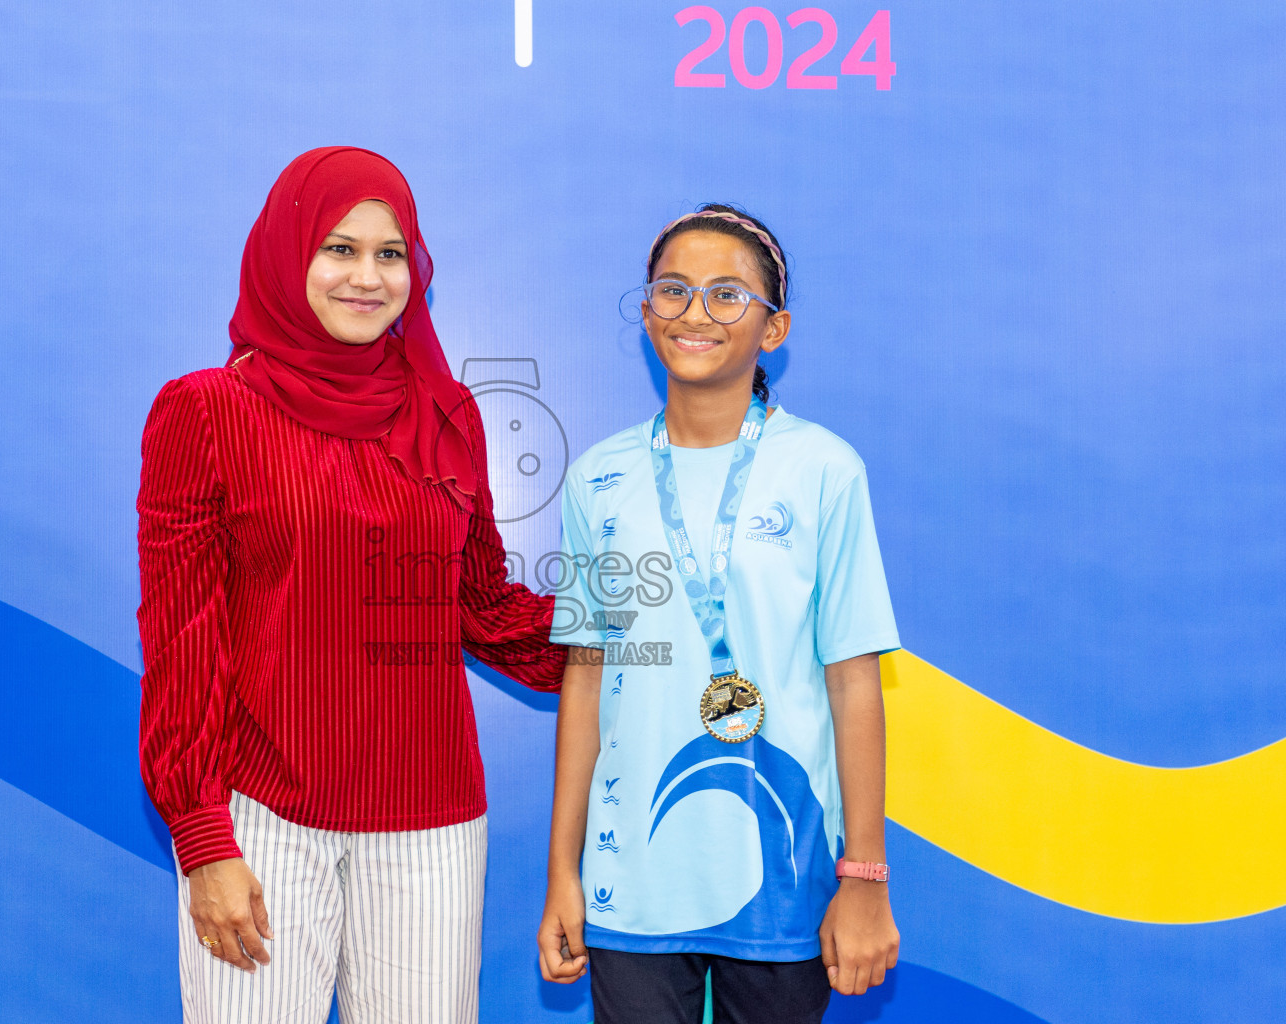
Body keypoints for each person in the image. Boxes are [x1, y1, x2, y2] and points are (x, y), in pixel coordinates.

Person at [137, 146, 565, 1024]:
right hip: (260, 817)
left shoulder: (449, 415)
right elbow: (182, 640)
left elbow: (481, 607)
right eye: (339, 248)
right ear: (286, 257)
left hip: (432, 821)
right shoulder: (205, 412)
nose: (367, 277)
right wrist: (202, 834)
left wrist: (646, 636)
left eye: (390, 252)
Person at [536, 205, 901, 1023]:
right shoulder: (600, 478)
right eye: (674, 290)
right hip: (631, 884)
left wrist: (864, 877)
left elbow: (854, 685)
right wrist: (564, 872)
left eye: (728, 295)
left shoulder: (824, 471)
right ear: (645, 311)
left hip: (787, 877)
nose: (695, 313)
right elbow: (586, 685)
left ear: (775, 329)